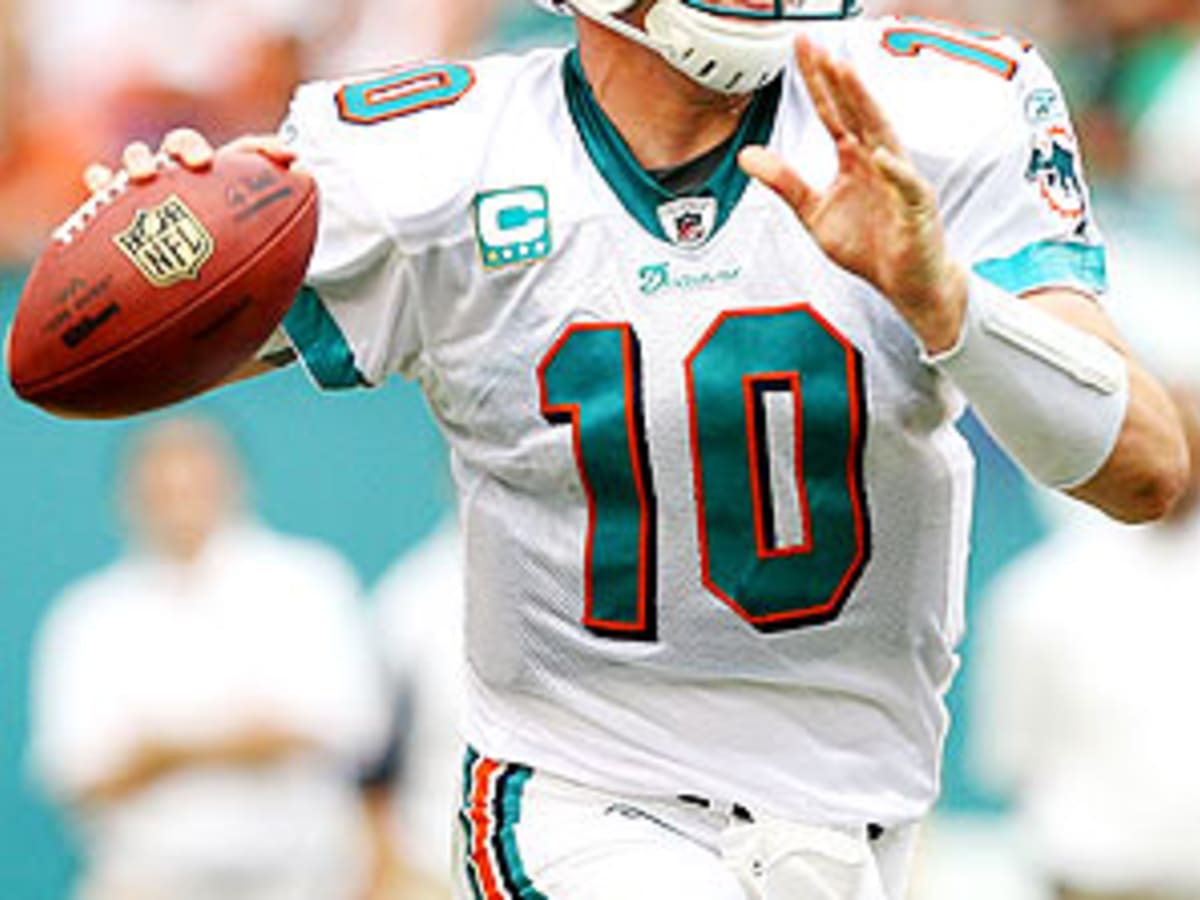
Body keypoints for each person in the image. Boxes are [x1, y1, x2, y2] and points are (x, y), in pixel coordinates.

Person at [57, 0, 1191, 897]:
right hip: (580, 800)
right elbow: (145, 323)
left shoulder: (943, 106)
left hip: (859, 808)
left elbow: (1143, 470)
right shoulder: (429, 155)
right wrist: (163, 243)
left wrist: (948, 302)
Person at [28, 418, 389, 900]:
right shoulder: (86, 617)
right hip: (144, 883)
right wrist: (249, 738)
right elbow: (77, 775)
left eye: (196, 478)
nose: (180, 498)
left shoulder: (310, 584)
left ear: (235, 481)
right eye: (161, 483)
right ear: (127, 496)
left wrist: (163, 751)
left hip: (304, 882)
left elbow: (354, 730)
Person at [975, 389, 1200, 900]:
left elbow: (1008, 760)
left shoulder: (1036, 589)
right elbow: (1011, 758)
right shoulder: (1040, 594)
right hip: (1094, 876)